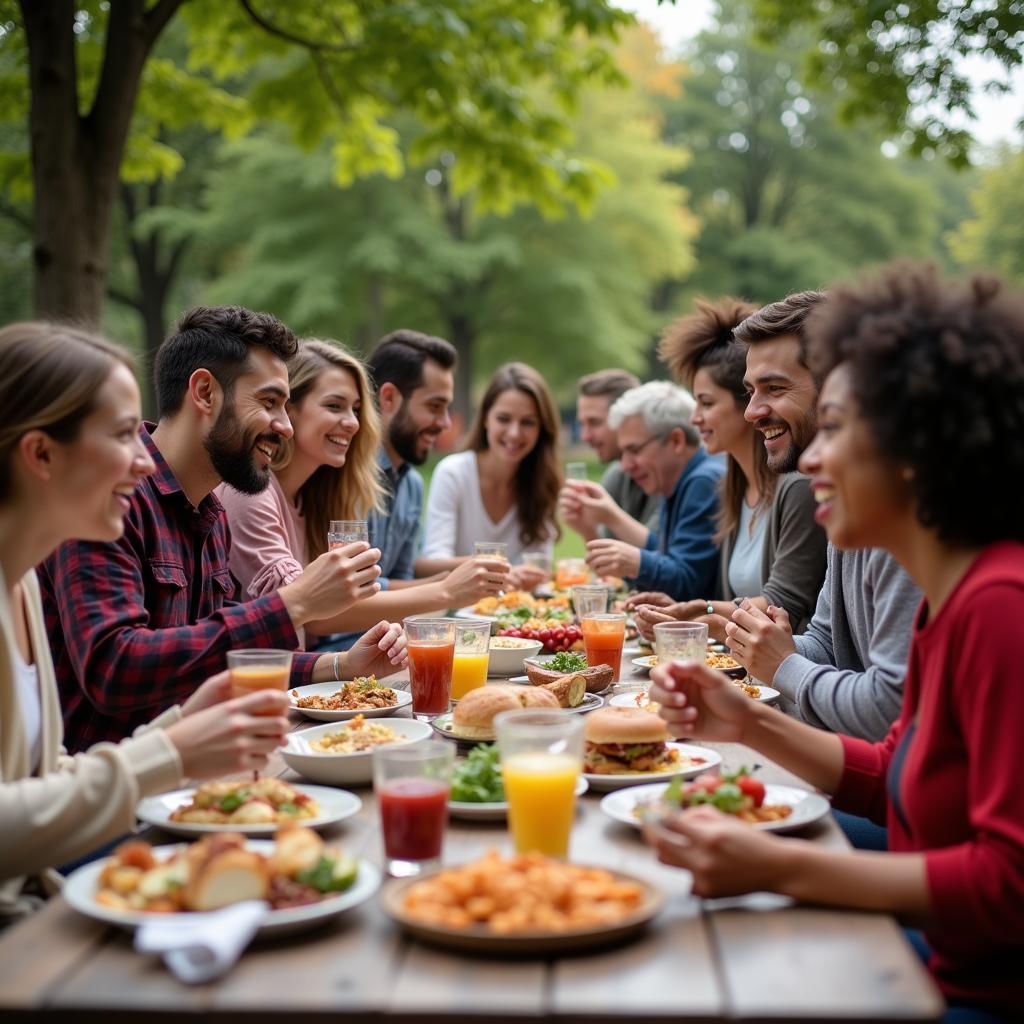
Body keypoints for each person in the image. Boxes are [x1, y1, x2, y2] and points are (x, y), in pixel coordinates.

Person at [646, 263, 1024, 1020]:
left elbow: (1009, 886)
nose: (812, 457)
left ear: (919, 446)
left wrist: (785, 867)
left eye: (842, 428)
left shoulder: (1000, 607)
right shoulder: (949, 599)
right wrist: (747, 719)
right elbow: (897, 770)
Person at [0, 322, 291, 922]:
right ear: (41, 454)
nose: (143, 460)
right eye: (123, 435)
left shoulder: (21, 584)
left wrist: (182, 726)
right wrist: (171, 752)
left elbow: (46, 777)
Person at [40, 306, 407, 752]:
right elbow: (114, 670)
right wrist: (294, 603)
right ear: (205, 392)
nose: (286, 428)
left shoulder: (212, 515)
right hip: (107, 797)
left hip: (185, 772)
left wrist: (338, 665)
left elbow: (217, 658)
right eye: (269, 403)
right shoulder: (110, 498)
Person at [721, 291, 920, 741]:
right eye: (750, 392)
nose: (752, 412)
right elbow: (829, 645)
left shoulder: (905, 524)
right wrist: (761, 647)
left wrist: (785, 667)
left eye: (774, 388)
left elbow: (889, 709)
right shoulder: (845, 506)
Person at [220, 338, 509, 643]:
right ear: (287, 411)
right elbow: (311, 610)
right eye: (334, 406)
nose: (352, 423)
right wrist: (446, 590)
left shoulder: (314, 498)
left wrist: (452, 582)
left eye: (356, 409)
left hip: (312, 670)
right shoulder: (250, 493)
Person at [627, 297, 826, 641]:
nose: (694, 418)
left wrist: (696, 615)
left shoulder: (798, 486)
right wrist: (691, 608)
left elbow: (784, 607)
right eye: (752, 392)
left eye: (706, 402)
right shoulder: (731, 488)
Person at [419, 362, 559, 588]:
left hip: (516, 616)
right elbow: (432, 562)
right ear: (485, 418)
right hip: (457, 615)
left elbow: (539, 574)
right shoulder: (453, 473)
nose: (514, 433)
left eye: (528, 422)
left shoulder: (543, 484)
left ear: (541, 429)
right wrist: (496, 568)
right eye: (504, 419)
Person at [582, 381, 723, 600]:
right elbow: (668, 553)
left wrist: (637, 562)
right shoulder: (674, 481)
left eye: (634, 450)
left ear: (677, 440)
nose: (626, 465)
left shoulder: (703, 481)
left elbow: (690, 583)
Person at [563, 369, 661, 540]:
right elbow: (611, 560)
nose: (585, 436)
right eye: (582, 424)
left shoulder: (664, 472)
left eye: (594, 422)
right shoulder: (617, 474)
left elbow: (661, 555)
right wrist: (586, 529)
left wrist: (611, 517)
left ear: (623, 418)